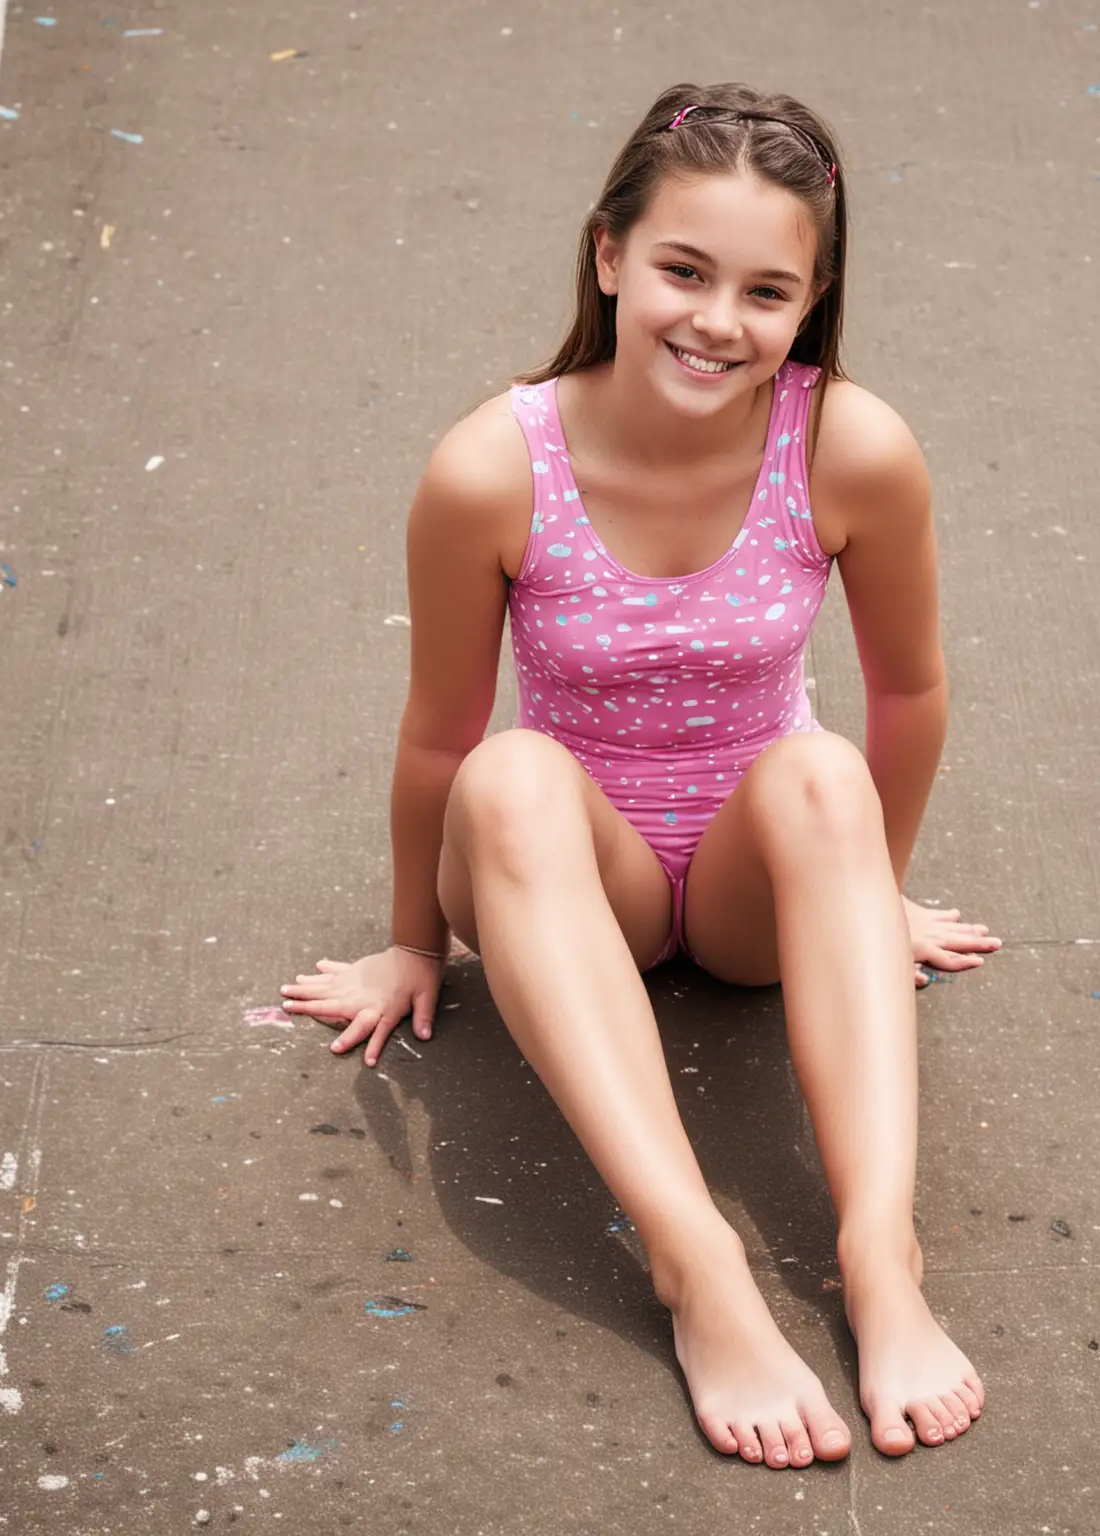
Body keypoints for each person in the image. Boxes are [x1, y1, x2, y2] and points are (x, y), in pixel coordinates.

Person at [281, 82, 1002, 1468]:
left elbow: (909, 691)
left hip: (745, 880)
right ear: (609, 255)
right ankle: (698, 1268)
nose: (717, 319)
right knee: (505, 776)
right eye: (683, 268)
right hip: (570, 875)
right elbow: (441, 726)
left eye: (766, 289)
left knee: (823, 775)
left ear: (812, 301)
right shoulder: (495, 466)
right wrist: (407, 942)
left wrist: (870, 895)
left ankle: (881, 1259)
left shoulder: (845, 444)